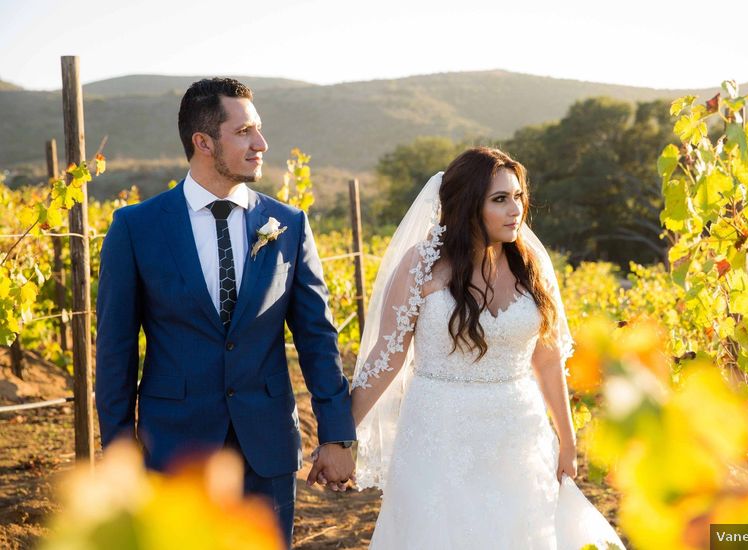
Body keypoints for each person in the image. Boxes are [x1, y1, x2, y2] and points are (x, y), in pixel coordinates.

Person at [95, 77, 356, 547]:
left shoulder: (289, 224)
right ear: (203, 141)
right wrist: (117, 452)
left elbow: (318, 337)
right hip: (173, 450)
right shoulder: (136, 227)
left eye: (258, 130)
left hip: (267, 447)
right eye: (244, 132)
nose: (261, 144)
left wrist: (338, 436)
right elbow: (114, 350)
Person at [349, 146, 625, 549]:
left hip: (519, 434)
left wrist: (567, 441)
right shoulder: (422, 265)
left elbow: (547, 361)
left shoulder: (531, 264)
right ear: (466, 206)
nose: (516, 210)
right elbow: (387, 358)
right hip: (438, 433)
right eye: (500, 199)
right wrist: (339, 435)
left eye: (518, 197)